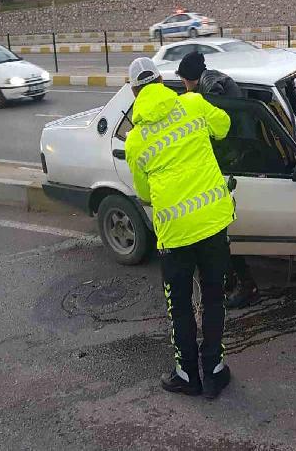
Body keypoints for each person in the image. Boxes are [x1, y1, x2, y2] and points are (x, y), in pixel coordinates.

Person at [124, 57, 233, 399]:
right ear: (161, 81)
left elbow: (144, 193)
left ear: (134, 92)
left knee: (180, 306)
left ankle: (187, 375)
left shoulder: (134, 141)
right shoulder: (193, 103)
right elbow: (224, 127)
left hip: (174, 233)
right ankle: (214, 371)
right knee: (214, 297)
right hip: (213, 221)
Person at [176, 51, 260, 309]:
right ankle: (230, 280)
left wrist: (203, 102)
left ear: (189, 78)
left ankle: (245, 286)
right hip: (239, 152)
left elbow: (219, 116)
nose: (183, 84)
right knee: (219, 236)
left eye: (183, 79)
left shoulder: (210, 87)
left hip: (235, 158)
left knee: (220, 235)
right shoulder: (213, 78)